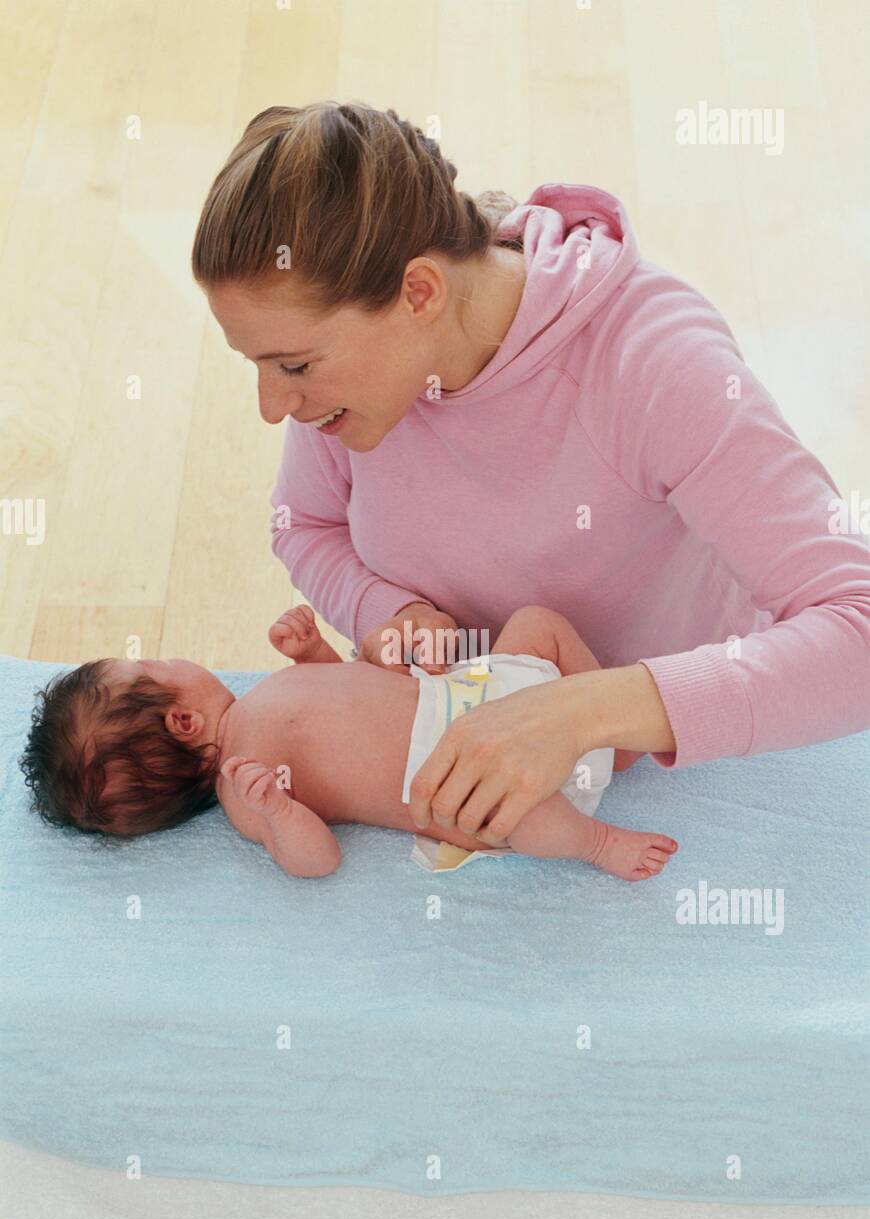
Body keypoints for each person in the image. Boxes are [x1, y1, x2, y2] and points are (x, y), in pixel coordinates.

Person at [189, 99, 870, 849]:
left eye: (293, 366)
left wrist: (579, 713)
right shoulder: (348, 393)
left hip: (677, 771)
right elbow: (304, 523)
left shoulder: (654, 363)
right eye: (258, 365)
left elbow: (859, 626)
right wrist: (384, 610)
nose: (272, 406)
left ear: (419, 293)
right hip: (444, 749)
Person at [18, 604, 679, 883]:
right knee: (520, 817)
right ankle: (598, 843)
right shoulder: (244, 785)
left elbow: (350, 691)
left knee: (538, 624)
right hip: (458, 777)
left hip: (479, 693)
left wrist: (314, 653)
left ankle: (617, 737)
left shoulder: (264, 695)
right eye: (159, 666)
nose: (173, 659)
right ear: (182, 721)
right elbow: (317, 861)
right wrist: (279, 814)